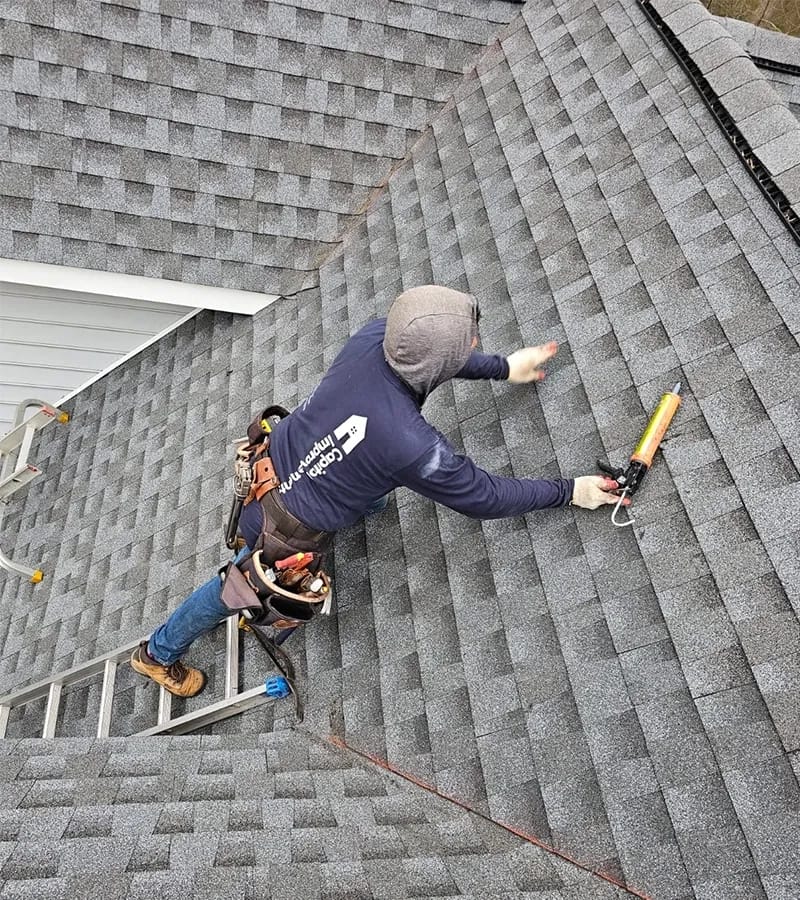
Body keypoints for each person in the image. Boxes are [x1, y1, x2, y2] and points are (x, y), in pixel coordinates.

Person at [131, 286, 625, 696]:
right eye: (470, 341)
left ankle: (360, 495)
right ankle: (157, 653)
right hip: (284, 528)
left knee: (372, 489)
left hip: (274, 461)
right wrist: (568, 490)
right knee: (234, 588)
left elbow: (436, 359)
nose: (475, 341)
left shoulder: (375, 336)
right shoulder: (410, 445)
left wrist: (503, 367)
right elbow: (484, 498)